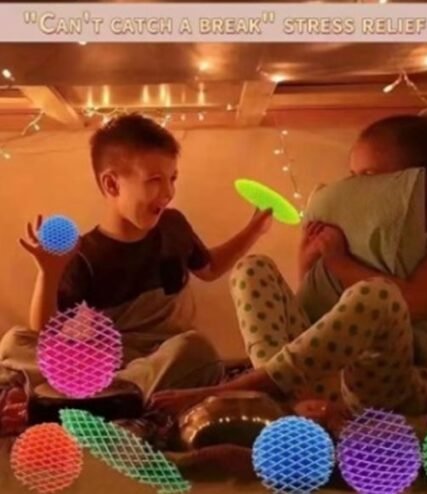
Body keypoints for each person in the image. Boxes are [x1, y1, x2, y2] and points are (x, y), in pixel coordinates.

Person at [151, 113, 427, 418]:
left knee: (378, 294)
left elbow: (414, 303)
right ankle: (292, 395)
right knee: (252, 268)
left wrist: (340, 262)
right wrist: (309, 261)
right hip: (322, 381)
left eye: (367, 178)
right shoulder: (356, 229)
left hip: (394, 383)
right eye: (352, 177)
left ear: (418, 186)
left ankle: (243, 387)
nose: (352, 189)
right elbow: (319, 308)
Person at [0, 113, 273, 405]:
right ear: (112, 185)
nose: (168, 192)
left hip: (165, 356)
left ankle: (102, 395)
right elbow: (46, 335)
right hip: (108, 360)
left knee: (198, 351)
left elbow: (210, 269)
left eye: (172, 179)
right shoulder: (85, 254)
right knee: (14, 342)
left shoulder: (173, 226)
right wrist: (49, 273)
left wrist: (254, 230)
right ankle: (109, 395)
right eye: (155, 180)